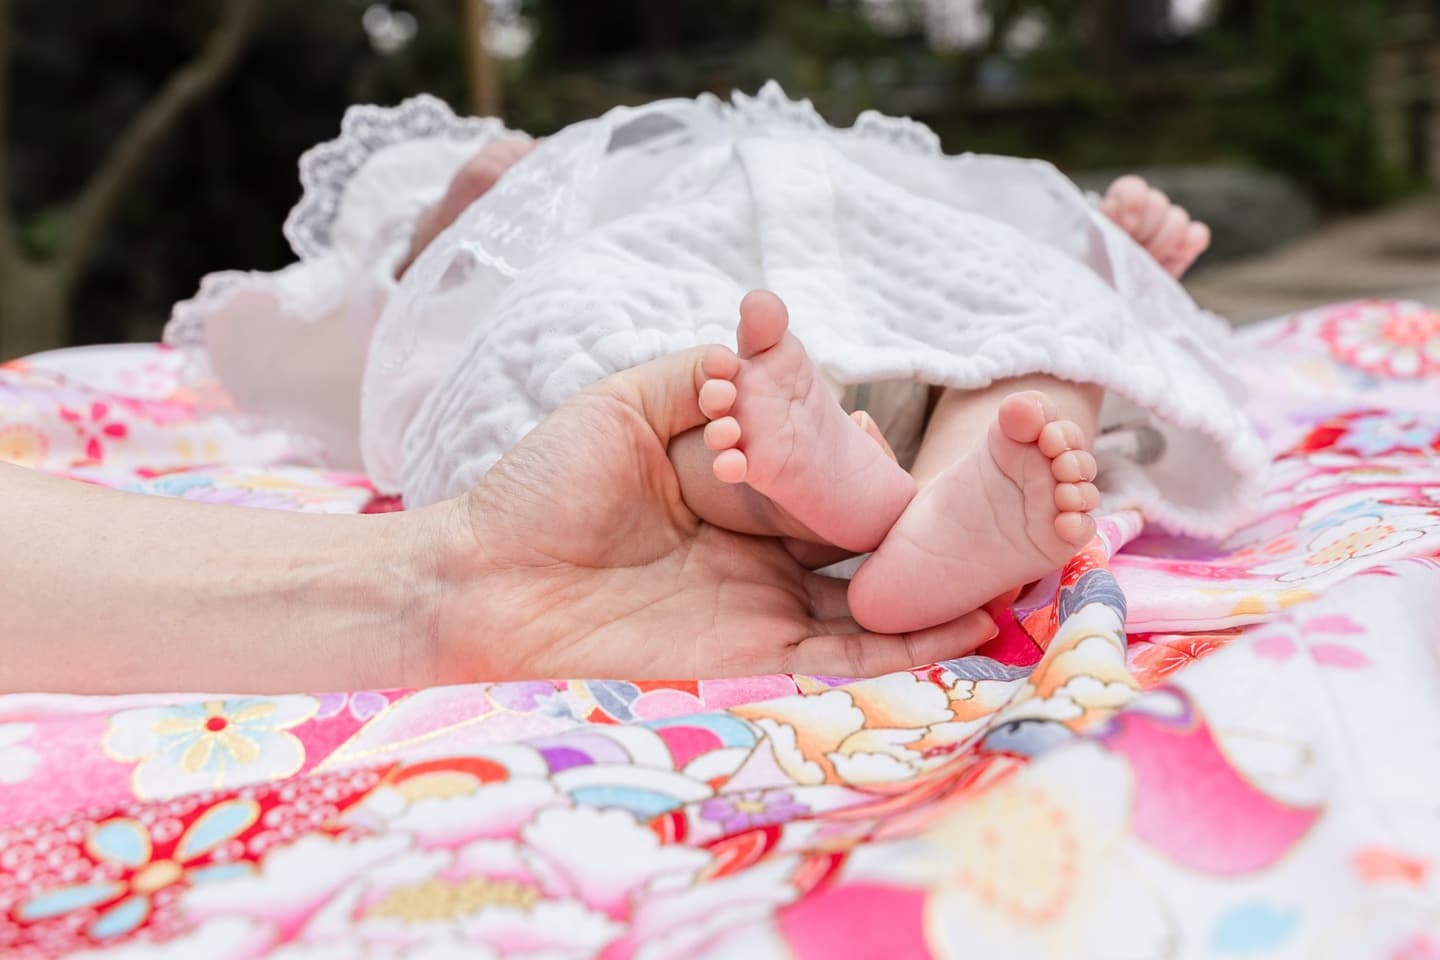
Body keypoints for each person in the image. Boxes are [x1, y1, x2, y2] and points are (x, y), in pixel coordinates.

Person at [170, 84, 1266, 644]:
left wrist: (1106, 243)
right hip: (757, 370)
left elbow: (993, 227)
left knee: (1042, 315)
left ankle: (938, 509)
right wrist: (459, 212)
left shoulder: (727, 167)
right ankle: (857, 502)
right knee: (654, 409)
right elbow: (409, 328)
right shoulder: (561, 214)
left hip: (838, 345)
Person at [0, 344, 999, 695]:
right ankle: (923, 509)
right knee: (1024, 367)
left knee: (717, 458)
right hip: (828, 374)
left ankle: (856, 509)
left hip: (681, 396)